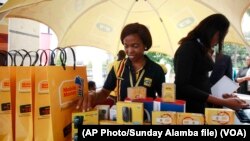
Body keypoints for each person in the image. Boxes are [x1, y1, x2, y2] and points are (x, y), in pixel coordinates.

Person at [77, 22, 166, 111]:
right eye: (126, 46)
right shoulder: (117, 67)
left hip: (147, 119)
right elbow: (104, 92)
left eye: (135, 46)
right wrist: (93, 95)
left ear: (145, 45)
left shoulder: (157, 70)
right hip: (123, 118)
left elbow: (163, 98)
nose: (129, 51)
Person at [174, 13, 249, 114]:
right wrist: (223, 102)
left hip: (200, 108)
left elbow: (200, 84)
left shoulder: (200, 48)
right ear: (211, 31)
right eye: (219, 36)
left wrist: (224, 96)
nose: (218, 42)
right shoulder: (189, 48)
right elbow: (182, 86)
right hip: (188, 112)